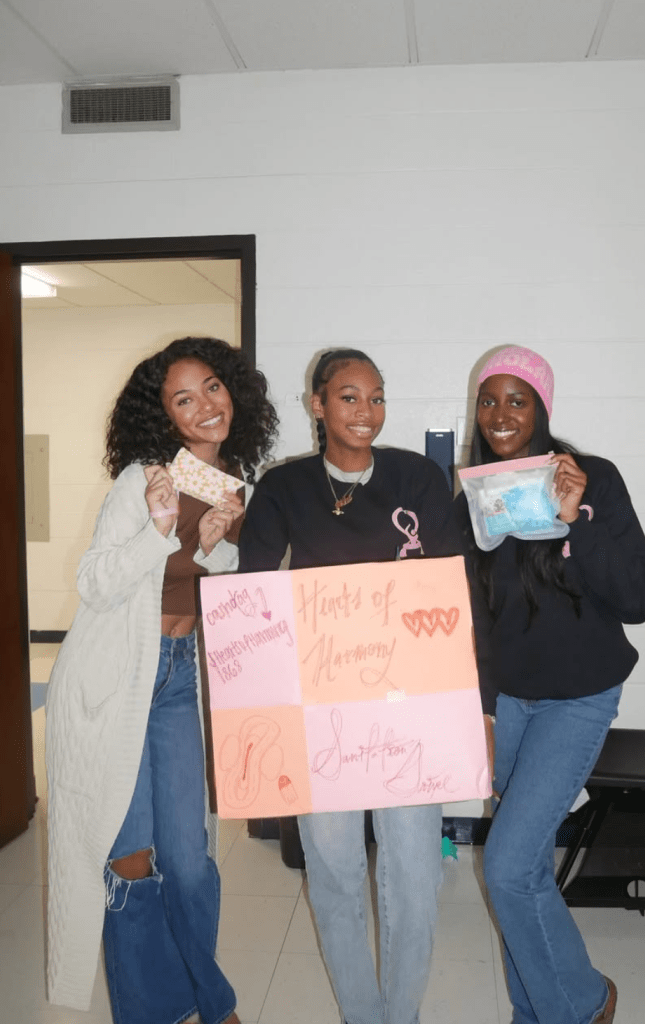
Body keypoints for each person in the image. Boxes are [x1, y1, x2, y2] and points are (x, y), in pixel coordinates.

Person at [45, 336, 278, 1024]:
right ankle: (161, 1011)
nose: (205, 405)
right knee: (133, 861)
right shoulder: (143, 480)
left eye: (212, 386)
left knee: (193, 859)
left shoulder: (238, 485)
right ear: (164, 415)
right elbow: (93, 581)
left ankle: (201, 992)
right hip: (114, 678)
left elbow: (221, 590)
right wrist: (158, 528)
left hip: (178, 679)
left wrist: (218, 543)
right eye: (184, 398)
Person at [237, 348, 461, 1024]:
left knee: (414, 882)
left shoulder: (419, 478)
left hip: (407, 711)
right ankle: (364, 1015)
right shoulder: (283, 487)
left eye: (377, 397)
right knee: (334, 876)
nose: (367, 412)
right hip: (320, 712)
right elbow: (254, 591)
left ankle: (402, 1015)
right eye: (349, 397)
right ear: (318, 404)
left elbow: (449, 589)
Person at [456, 345, 645, 1024]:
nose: (501, 414)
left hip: (578, 698)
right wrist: (482, 714)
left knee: (507, 870)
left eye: (517, 399)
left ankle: (583, 1002)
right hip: (510, 702)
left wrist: (575, 519)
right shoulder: (476, 497)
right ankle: (534, 1010)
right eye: (489, 399)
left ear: (541, 405)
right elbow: (474, 621)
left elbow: (639, 598)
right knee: (527, 869)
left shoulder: (591, 477)